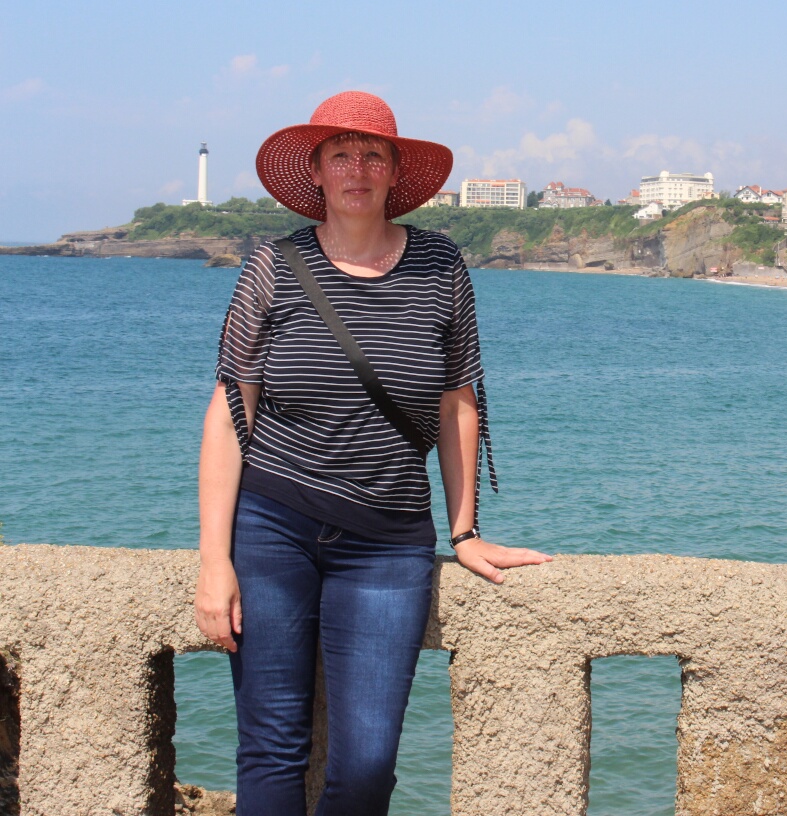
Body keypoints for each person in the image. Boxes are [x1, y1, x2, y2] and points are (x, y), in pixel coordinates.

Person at [195, 91, 551, 815]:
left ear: (393, 171)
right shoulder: (272, 266)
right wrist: (213, 561)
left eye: (372, 155)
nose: (355, 170)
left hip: (387, 545)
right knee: (271, 747)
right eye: (340, 155)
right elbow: (231, 413)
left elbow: (458, 402)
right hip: (273, 526)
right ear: (316, 172)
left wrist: (465, 532)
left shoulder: (440, 265)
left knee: (366, 764)